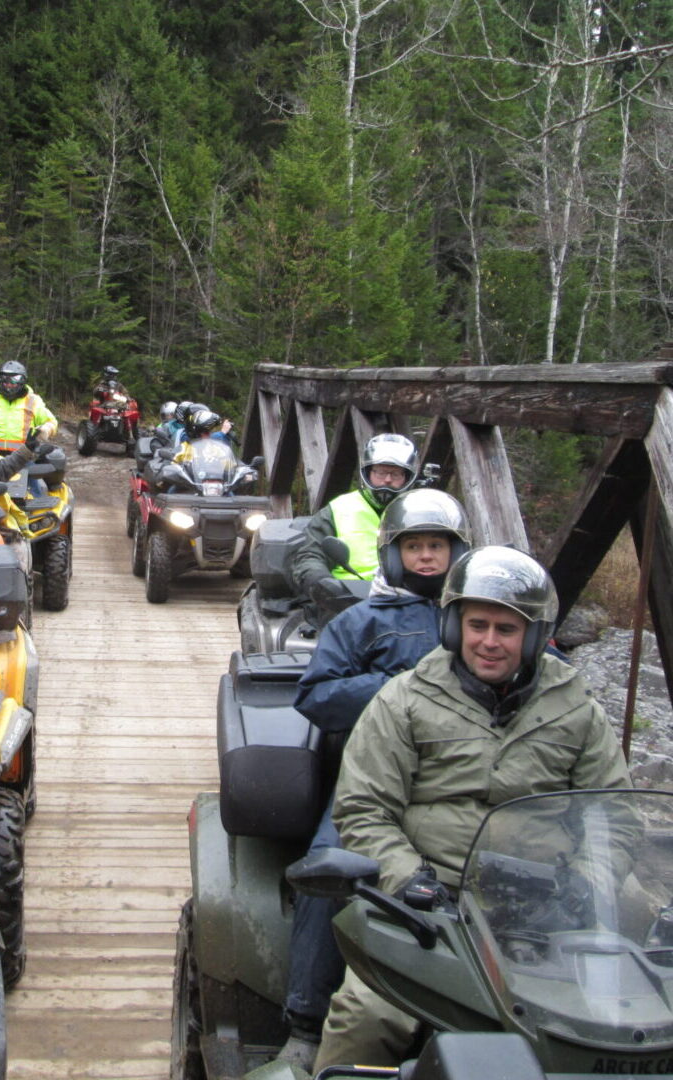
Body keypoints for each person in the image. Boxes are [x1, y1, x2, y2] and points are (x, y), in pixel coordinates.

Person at [312, 545, 633, 1072]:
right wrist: (406, 878)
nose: (488, 642)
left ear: (532, 636)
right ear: (452, 625)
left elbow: (616, 813)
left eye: (506, 629)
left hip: (548, 905)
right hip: (431, 903)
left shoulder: (575, 706)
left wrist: (588, 882)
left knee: (632, 1012)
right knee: (367, 1017)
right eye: (476, 624)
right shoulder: (404, 699)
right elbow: (364, 807)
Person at [276, 489, 471, 1070]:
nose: (428, 557)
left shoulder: (484, 620)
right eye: (416, 546)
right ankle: (305, 1022)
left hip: (465, 784)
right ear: (393, 554)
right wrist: (402, 686)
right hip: (373, 779)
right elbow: (316, 697)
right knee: (327, 873)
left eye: (438, 545)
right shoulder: (362, 621)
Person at [287, 433, 419, 616]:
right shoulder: (338, 509)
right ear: (367, 473)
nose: (387, 480)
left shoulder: (422, 511)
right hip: (346, 603)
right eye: (380, 472)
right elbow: (310, 554)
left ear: (408, 476)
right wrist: (321, 582)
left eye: (396, 473)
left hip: (411, 601)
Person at [0, 360, 57, 454]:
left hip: (24, 456)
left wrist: (45, 429)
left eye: (14, 379)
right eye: (5, 379)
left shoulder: (33, 400)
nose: (9, 384)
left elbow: (51, 422)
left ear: (22, 380)